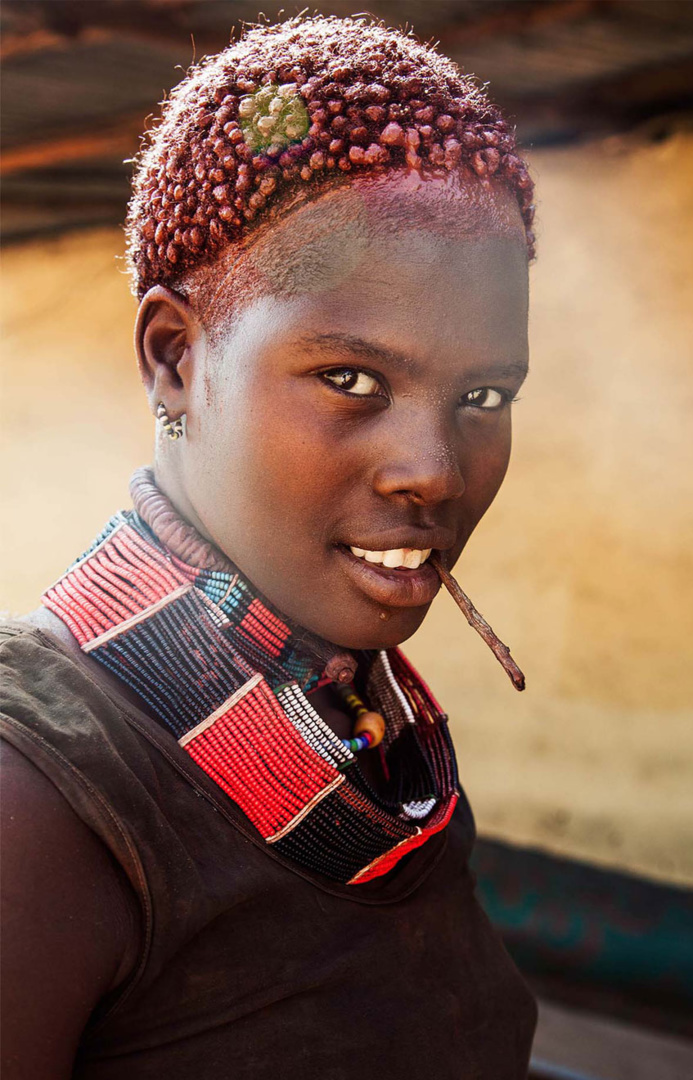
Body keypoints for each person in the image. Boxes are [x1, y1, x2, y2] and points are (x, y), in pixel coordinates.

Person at [0, 15, 537, 1079]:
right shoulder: (37, 806)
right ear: (173, 360)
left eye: (484, 395)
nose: (432, 469)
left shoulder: (372, 725)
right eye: (350, 379)